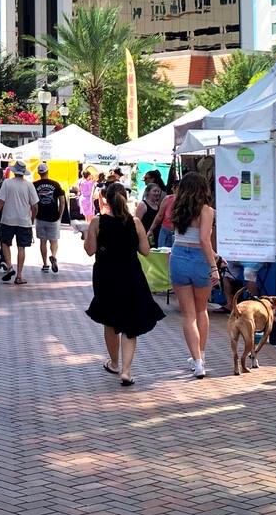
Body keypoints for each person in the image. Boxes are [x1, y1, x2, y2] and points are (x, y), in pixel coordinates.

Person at [83, 182, 165, 386]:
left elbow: (90, 250)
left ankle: (114, 363)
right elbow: (145, 251)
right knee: (131, 323)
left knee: (110, 320)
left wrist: (88, 234)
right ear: (125, 199)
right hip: (131, 275)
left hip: (106, 276)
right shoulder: (135, 222)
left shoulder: (98, 221)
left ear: (106, 200)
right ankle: (127, 371)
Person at [167, 173, 221, 380]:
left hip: (178, 256)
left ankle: (196, 361)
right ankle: (202, 356)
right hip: (200, 260)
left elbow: (183, 236)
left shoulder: (177, 208)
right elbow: (204, 240)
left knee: (188, 315)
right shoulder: (207, 210)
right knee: (201, 310)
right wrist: (214, 266)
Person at [0, 162, 38, 284]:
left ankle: (9, 267)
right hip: (24, 221)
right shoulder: (29, 185)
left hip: (8, 220)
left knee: (5, 243)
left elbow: (0, 202)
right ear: (23, 173)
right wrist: (32, 219)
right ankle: (19, 276)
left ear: (14, 171)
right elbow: (35, 206)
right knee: (21, 247)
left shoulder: (7, 183)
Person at [33, 163, 66, 274]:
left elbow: (32, 203)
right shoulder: (55, 184)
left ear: (39, 173)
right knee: (54, 240)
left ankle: (45, 264)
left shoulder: (34, 185)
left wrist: (32, 216)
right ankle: (53, 256)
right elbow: (62, 201)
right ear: (47, 171)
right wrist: (60, 215)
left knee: (43, 241)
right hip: (53, 217)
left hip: (40, 217)